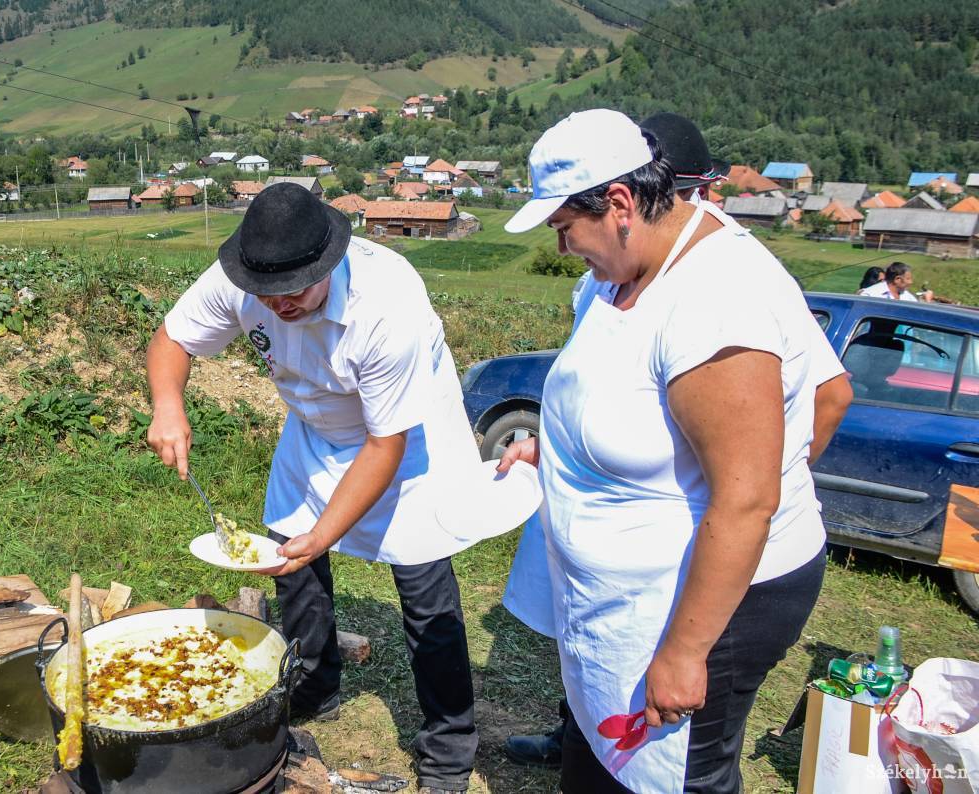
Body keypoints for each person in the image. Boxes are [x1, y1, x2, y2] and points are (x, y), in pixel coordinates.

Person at [497, 109, 850, 793]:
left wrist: (687, 652)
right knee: (603, 764)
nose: (564, 248)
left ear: (621, 204)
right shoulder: (630, 267)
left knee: (675, 775)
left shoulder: (716, 301)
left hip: (710, 604)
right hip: (629, 593)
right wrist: (562, 453)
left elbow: (746, 498)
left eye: (564, 228)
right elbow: (630, 403)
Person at [145, 183, 479, 794]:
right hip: (314, 428)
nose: (279, 303)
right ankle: (317, 682)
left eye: (295, 289)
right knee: (290, 565)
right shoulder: (245, 278)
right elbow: (172, 339)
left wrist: (323, 533)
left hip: (405, 440)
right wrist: (168, 405)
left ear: (328, 263)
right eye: (265, 292)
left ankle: (448, 750)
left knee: (425, 592)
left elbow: (385, 447)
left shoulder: (387, 305)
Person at [859, 261, 931, 302]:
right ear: (897, 279)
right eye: (908, 279)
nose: (911, 282)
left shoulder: (908, 297)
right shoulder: (870, 294)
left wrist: (927, 301)